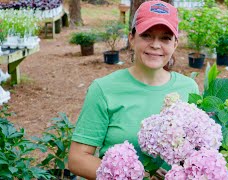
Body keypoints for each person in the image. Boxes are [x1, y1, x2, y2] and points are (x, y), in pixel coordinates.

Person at [68, 0, 199, 179]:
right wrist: (135, 175)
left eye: (165, 38)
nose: (155, 44)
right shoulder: (104, 89)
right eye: (146, 35)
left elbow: (198, 150)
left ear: (175, 44)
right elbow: (77, 159)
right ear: (131, 39)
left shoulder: (189, 88)